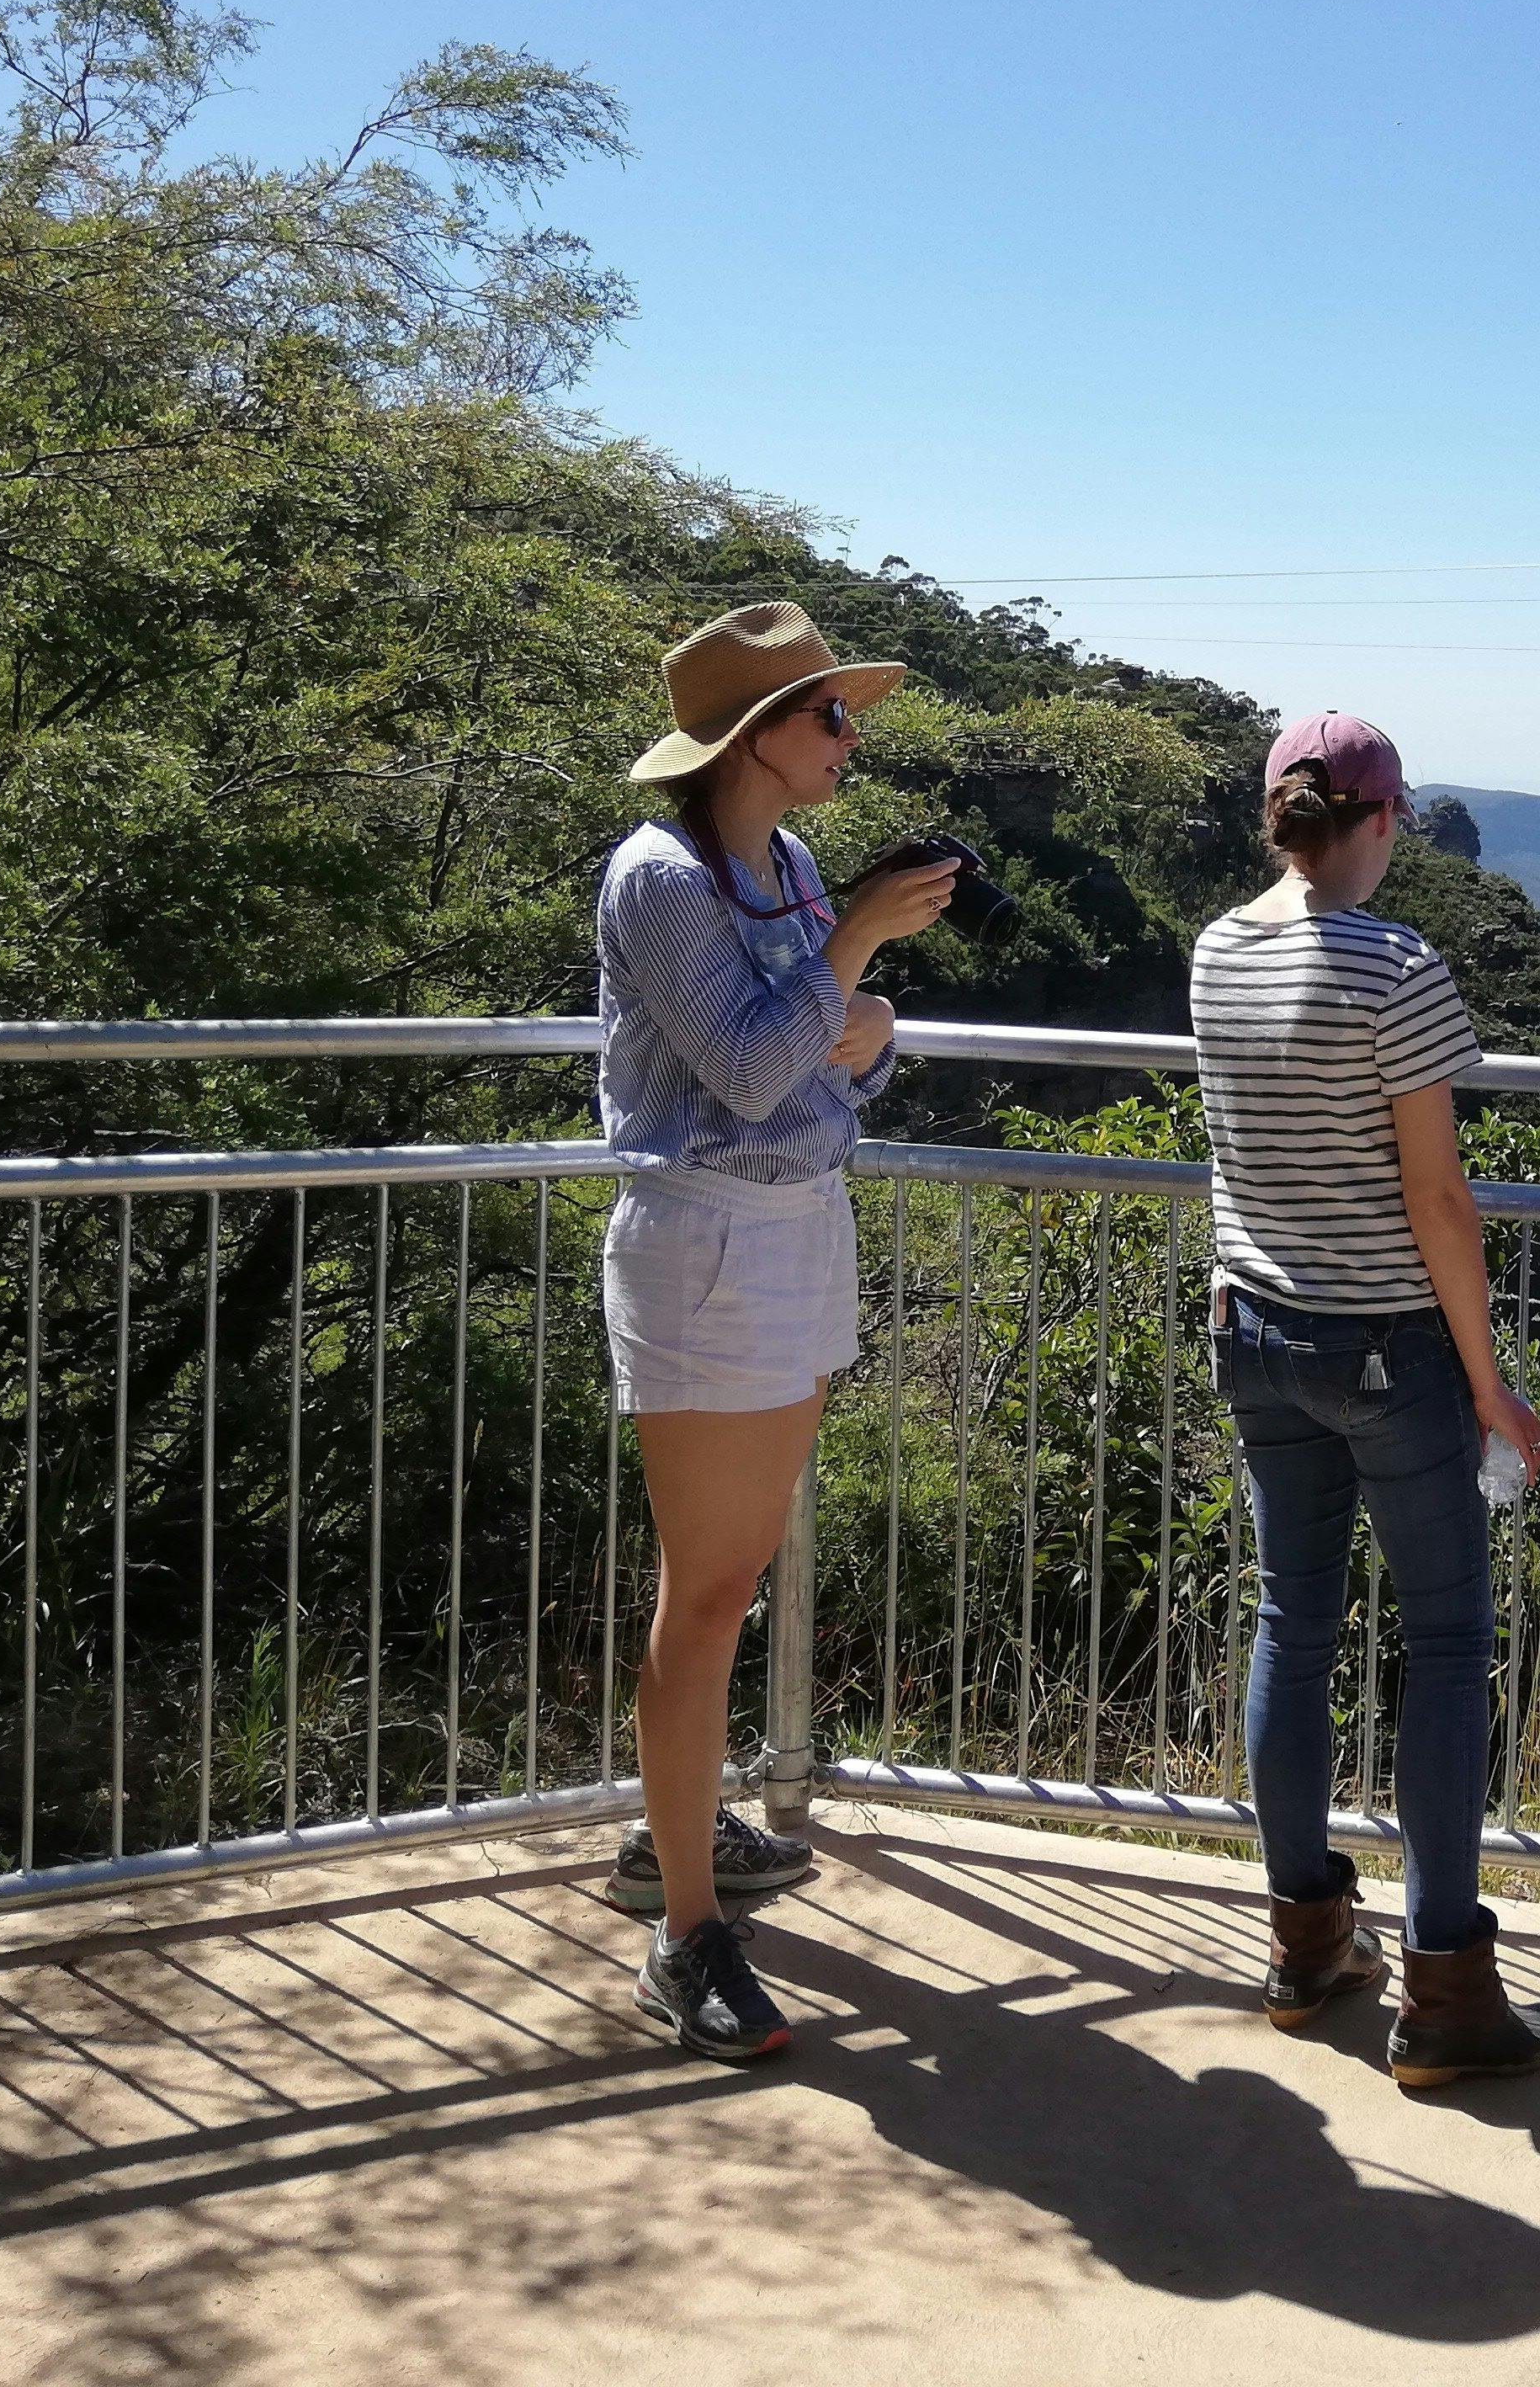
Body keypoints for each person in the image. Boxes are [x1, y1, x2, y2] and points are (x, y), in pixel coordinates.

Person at [597, 601, 957, 2060]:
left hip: (800, 1224)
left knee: (732, 1578)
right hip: (706, 1241)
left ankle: (672, 1844)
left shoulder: (787, 862)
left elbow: (826, 1065)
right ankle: (687, 1936)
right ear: (753, 737)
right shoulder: (660, 880)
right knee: (710, 1592)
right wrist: (858, 947)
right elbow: (748, 1072)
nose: (849, 738)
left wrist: (862, 1031)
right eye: (828, 715)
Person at [1191, 710, 1540, 2087]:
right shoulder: (1395, 965)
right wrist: (1489, 1387)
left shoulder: (1215, 950)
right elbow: (1441, 1201)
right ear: (1384, 818)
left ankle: (1304, 1946)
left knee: (1294, 1617)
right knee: (1449, 1642)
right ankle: (1447, 1993)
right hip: (1387, 1347)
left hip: (1256, 1326)